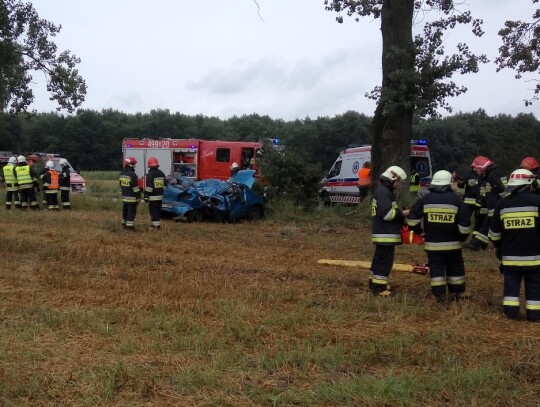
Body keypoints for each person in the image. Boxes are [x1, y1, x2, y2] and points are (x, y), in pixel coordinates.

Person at [407, 170, 471, 302]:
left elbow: (412, 219)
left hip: (433, 245)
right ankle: (458, 292)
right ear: (448, 183)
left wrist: (419, 231)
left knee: (436, 269)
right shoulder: (457, 200)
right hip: (453, 245)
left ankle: (439, 295)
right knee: (455, 267)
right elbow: (465, 225)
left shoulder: (425, 200)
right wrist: (461, 237)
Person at [489, 169, 540, 321]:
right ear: (529, 184)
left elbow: (493, 234)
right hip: (535, 258)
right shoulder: (537, 201)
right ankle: (535, 314)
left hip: (510, 257)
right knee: (534, 285)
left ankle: (511, 313)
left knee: (511, 284)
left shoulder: (502, 203)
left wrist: (499, 248)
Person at [370, 165, 409, 296]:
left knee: (379, 260)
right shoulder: (384, 192)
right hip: (385, 233)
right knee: (384, 262)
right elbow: (387, 215)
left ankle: (375, 283)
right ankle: (380, 289)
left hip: (384, 233)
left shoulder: (383, 191)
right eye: (398, 181)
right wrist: (403, 213)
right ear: (392, 178)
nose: (399, 185)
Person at [464, 156, 507, 251]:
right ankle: (477, 244)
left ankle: (476, 245)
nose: (475, 170)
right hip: (495, 207)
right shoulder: (492, 174)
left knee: (486, 226)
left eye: (476, 168)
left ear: (483, 168)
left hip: (496, 207)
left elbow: (501, 190)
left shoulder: (492, 176)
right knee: (486, 226)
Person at [119, 156, 141, 230]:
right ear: (131, 164)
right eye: (134, 164)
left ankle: (123, 224)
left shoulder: (121, 173)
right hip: (132, 198)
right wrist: (138, 197)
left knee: (125, 211)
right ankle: (129, 227)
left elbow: (121, 185)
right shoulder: (132, 174)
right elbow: (135, 188)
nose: (135, 165)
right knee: (131, 212)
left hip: (124, 197)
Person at [144, 156, 166, 230]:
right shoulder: (161, 173)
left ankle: (156, 226)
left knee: (154, 212)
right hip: (160, 196)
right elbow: (165, 185)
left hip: (153, 197)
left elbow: (149, 188)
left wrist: (146, 196)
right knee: (157, 211)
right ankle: (157, 225)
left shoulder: (150, 174)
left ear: (149, 165)